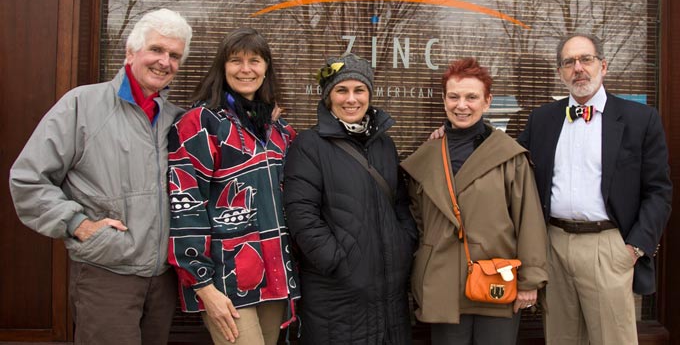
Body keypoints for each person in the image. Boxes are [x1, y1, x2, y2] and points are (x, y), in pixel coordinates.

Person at [8, 9, 192, 345]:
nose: (164, 62)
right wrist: (78, 224)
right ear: (130, 51)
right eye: (156, 50)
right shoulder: (82, 105)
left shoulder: (176, 120)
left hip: (163, 279)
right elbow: (28, 180)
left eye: (174, 55)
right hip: (106, 273)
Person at [517, 33, 672, 345]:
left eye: (585, 59)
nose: (578, 68)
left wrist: (633, 249)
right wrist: (451, 135)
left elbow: (658, 191)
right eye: (569, 62)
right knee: (561, 338)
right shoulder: (542, 119)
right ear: (560, 72)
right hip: (554, 245)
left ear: (604, 65)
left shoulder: (640, 119)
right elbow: (509, 166)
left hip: (609, 247)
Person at [167, 27, 300, 345]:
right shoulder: (200, 123)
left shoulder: (279, 130)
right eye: (236, 60)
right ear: (222, 67)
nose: (246, 69)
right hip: (225, 278)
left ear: (266, 68)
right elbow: (185, 204)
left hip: (274, 273)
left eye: (255, 60)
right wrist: (202, 283)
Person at [401, 57, 548, 345]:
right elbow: (417, 220)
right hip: (442, 285)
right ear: (444, 101)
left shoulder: (510, 156)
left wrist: (530, 282)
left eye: (471, 97)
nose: (462, 105)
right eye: (454, 96)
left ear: (487, 101)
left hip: (496, 280)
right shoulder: (425, 156)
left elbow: (528, 221)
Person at [282, 53, 418, 344]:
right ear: (329, 97)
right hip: (337, 295)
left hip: (390, 294)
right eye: (341, 90)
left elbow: (400, 203)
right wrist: (338, 262)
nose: (351, 99)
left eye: (359, 90)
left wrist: (403, 244)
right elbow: (301, 214)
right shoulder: (309, 145)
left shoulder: (384, 144)